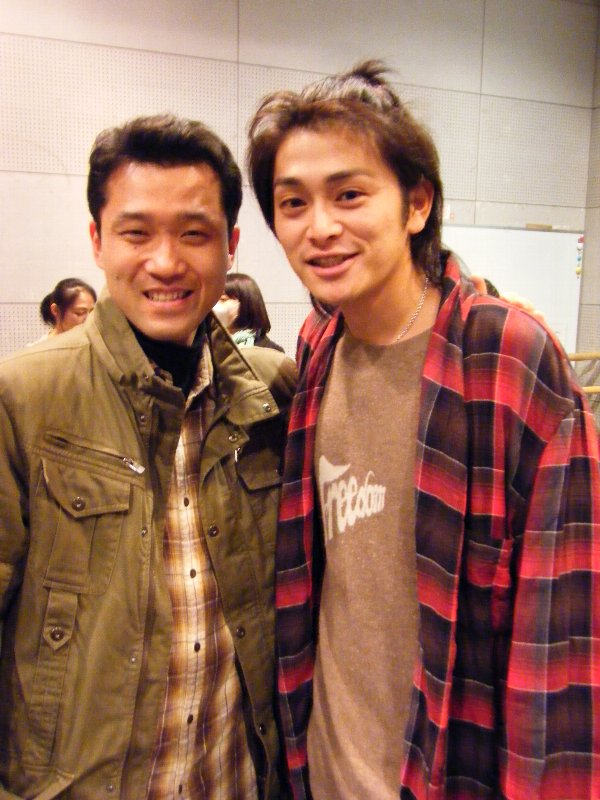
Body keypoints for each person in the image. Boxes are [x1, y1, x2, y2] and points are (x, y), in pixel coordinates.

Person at [247, 61, 600, 798]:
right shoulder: (317, 349)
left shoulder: (507, 357)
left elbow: (562, 641)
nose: (320, 227)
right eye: (293, 202)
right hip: (325, 769)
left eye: (349, 194)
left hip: (451, 771)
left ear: (416, 204)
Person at [0, 114, 295, 798]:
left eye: (194, 234)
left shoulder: (271, 394)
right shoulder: (23, 399)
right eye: (137, 233)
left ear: (231, 246)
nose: (165, 262)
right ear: (98, 241)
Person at [213, 272, 285, 352]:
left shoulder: (270, 351)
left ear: (245, 303)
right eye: (214, 300)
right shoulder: (208, 345)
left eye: (222, 299)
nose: (214, 306)